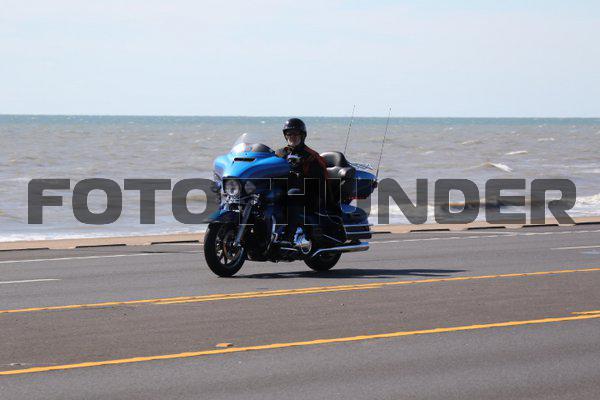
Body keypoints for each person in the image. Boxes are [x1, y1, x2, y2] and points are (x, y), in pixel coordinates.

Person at [275, 118, 345, 244]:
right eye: (289, 134)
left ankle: (289, 237)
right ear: (285, 135)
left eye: (296, 134)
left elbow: (320, 180)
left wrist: (299, 175)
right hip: (286, 188)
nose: (292, 137)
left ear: (302, 135)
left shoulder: (311, 156)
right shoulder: (280, 153)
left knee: (293, 194)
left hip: (310, 194)